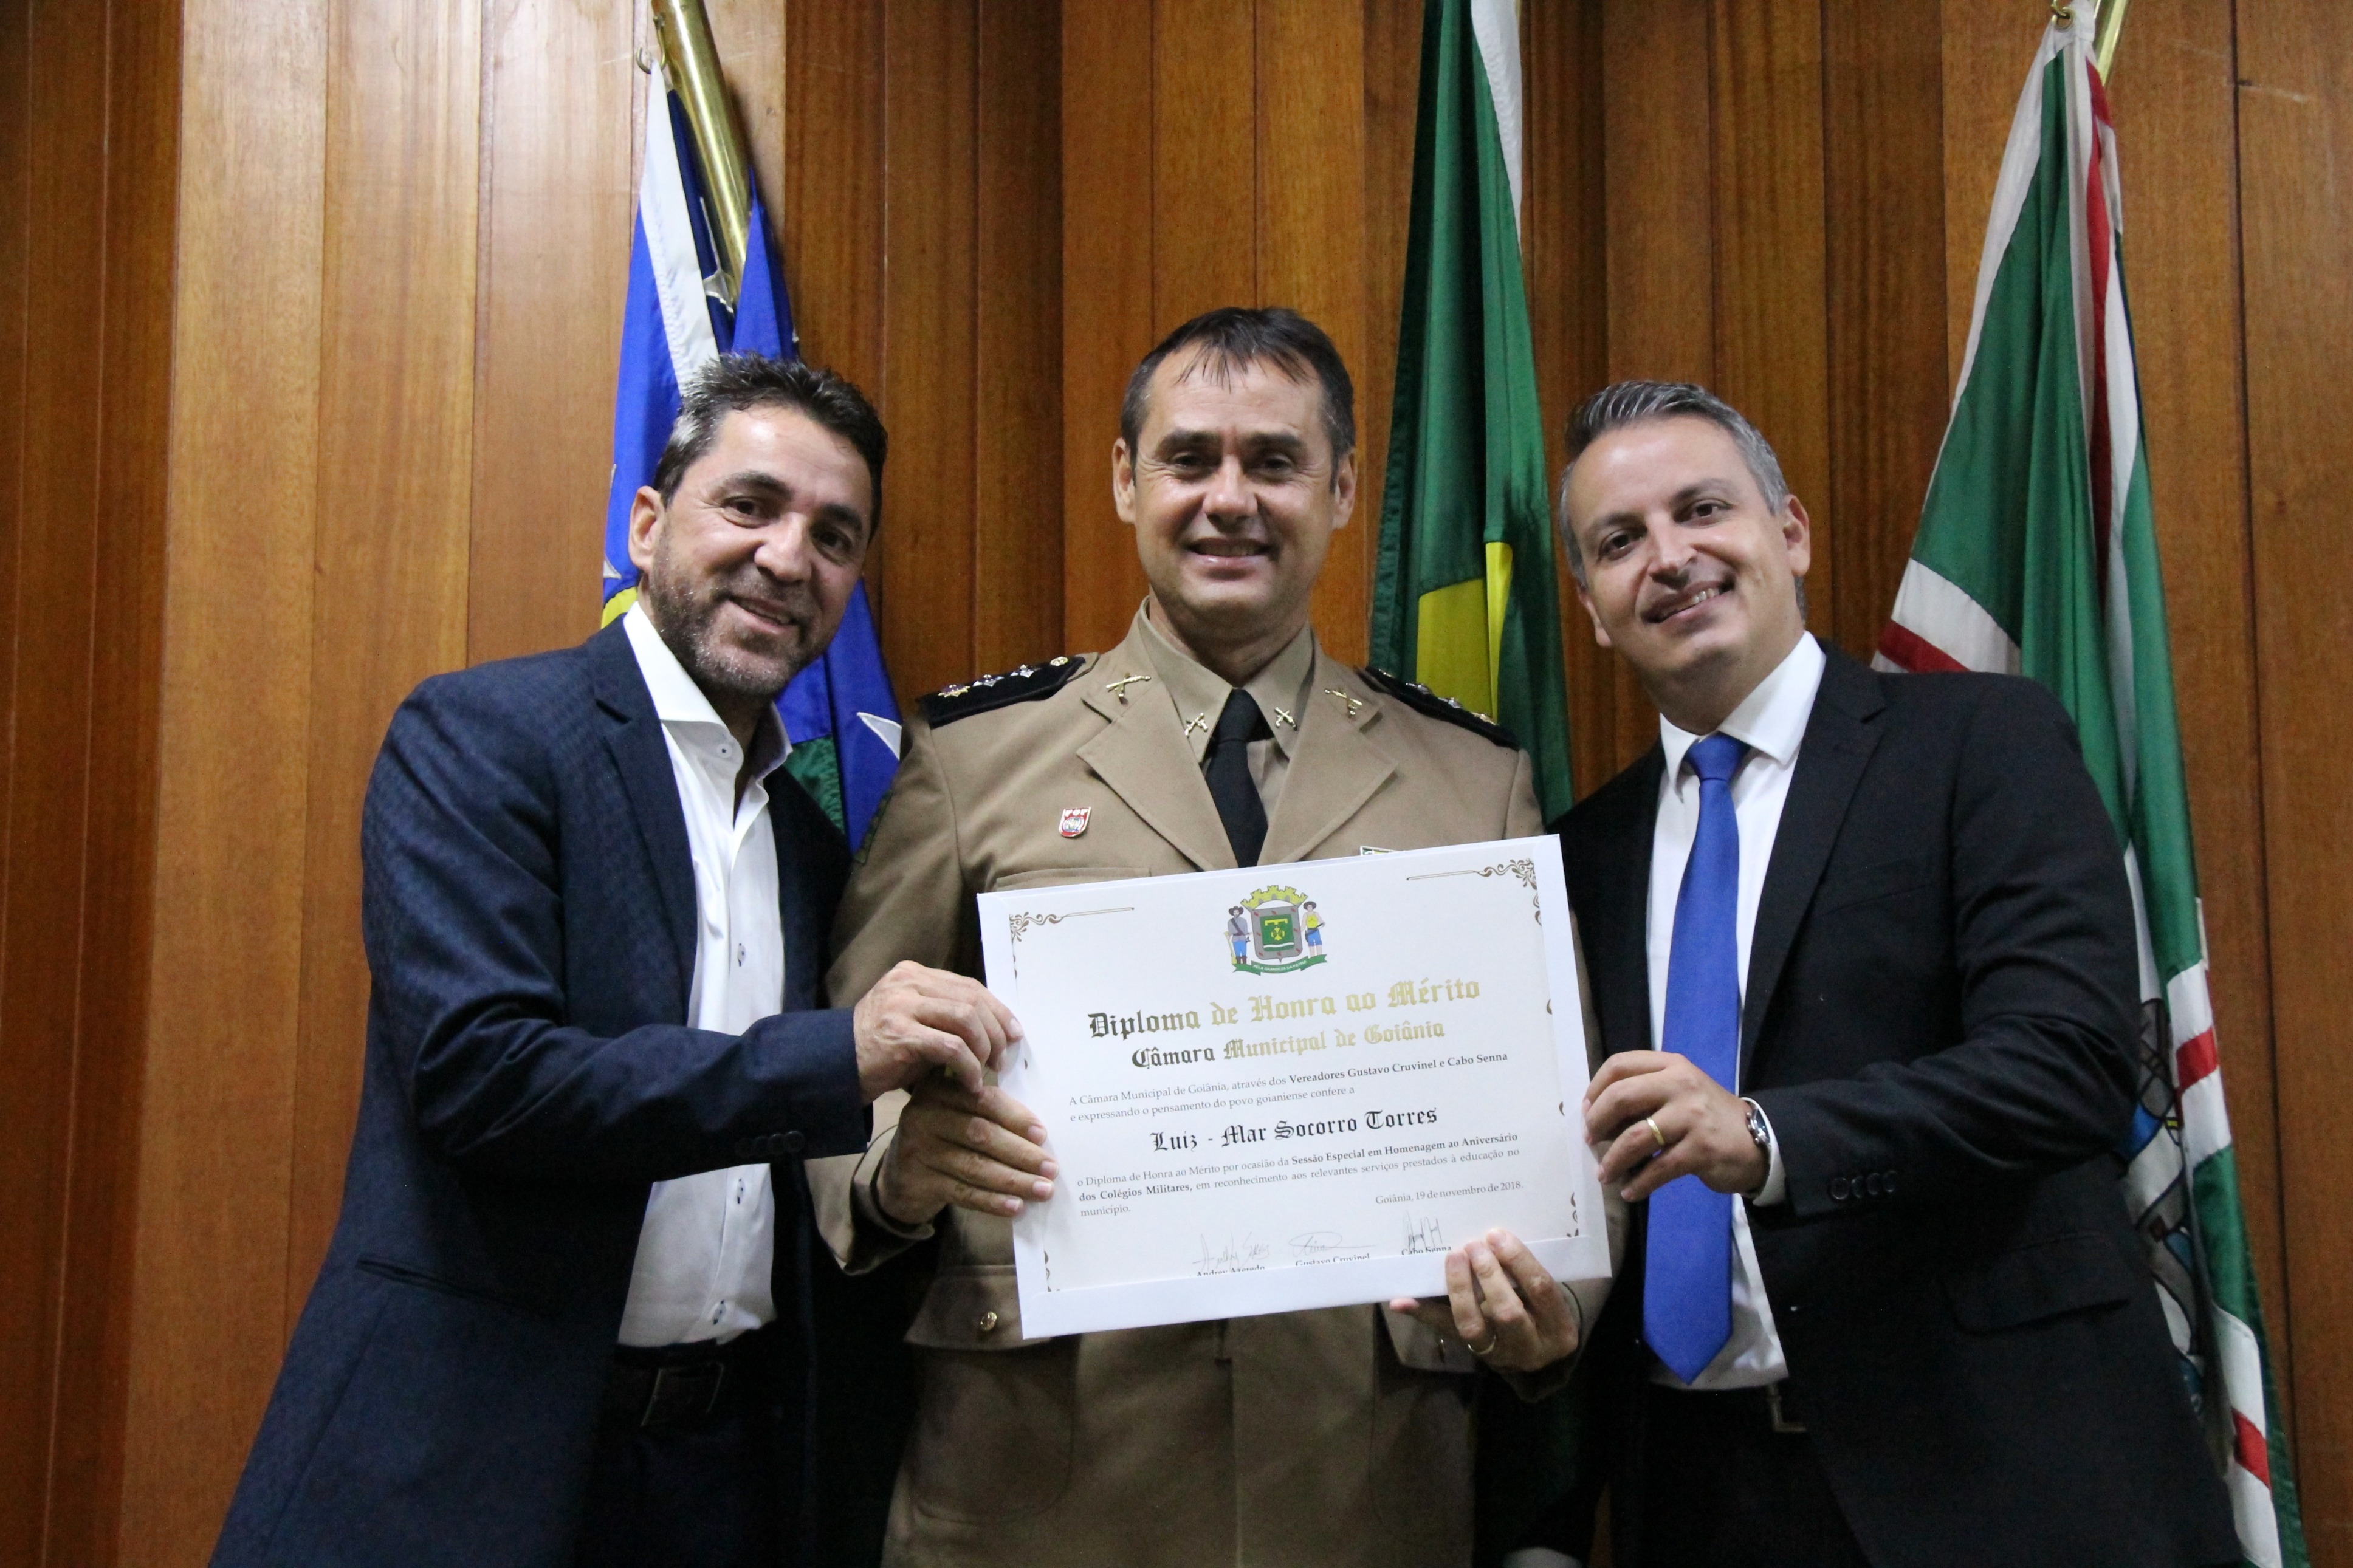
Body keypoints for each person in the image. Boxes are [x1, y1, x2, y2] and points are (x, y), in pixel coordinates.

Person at [211, 355, 1018, 1568]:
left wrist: (898, 1182)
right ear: (647, 525)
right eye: (749, 506)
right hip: (470, 1460)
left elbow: (793, 1189)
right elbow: (485, 1079)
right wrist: (835, 1056)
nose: (788, 558)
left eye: (834, 535)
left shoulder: (811, 841)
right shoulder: (483, 737)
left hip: (727, 1472)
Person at [811, 307, 1585, 1567]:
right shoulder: (972, 759)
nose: (1231, 499)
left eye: (1274, 462)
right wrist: (898, 1172)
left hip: (1359, 1483)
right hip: (1042, 1482)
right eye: (1190, 459)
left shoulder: (1474, 779)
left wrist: (1553, 1304)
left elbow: (1554, 1121)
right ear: (1127, 481)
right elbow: (846, 1066)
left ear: (1342, 490)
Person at [1530, 380, 2238, 1566]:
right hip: (1706, 1498)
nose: (1669, 556)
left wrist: (1767, 1136)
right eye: (1619, 541)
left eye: (1702, 509)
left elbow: (2068, 1066)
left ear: (1790, 532)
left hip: (1997, 1477)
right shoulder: (1578, 855)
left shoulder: (1982, 743)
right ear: (1594, 611)